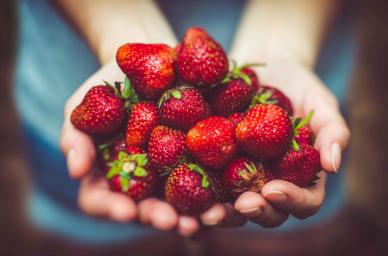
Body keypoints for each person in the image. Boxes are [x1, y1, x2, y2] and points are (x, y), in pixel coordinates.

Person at [15, 0, 351, 245]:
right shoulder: (169, 119)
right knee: (104, 243)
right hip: (68, 70)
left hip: (306, 38)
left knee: (276, 243)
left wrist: (283, 46)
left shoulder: (238, 124)